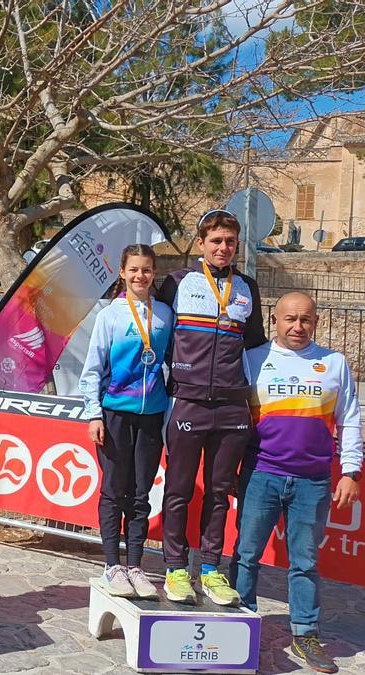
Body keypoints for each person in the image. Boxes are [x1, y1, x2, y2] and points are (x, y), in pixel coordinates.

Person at [231, 292, 362, 674]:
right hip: (261, 474)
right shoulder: (254, 360)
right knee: (246, 554)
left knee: (304, 562)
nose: (297, 326)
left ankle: (305, 633)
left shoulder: (334, 363)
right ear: (275, 320)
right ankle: (242, 625)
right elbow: (234, 418)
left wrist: (351, 472)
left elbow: (350, 419)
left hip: (313, 481)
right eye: (290, 319)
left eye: (305, 319)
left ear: (316, 322)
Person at [154, 209, 266, 605]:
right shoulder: (176, 282)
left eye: (230, 242)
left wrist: (255, 403)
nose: (223, 248)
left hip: (232, 407)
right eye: (216, 241)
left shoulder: (247, 287)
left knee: (220, 492)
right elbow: (154, 329)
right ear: (200, 243)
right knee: (179, 489)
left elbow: (255, 348)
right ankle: (175, 568)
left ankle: (212, 569)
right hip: (187, 400)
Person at [78, 244, 172, 598]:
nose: (140, 276)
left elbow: (170, 365)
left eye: (146, 270)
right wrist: (93, 414)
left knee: (141, 494)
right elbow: (93, 369)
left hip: (152, 416)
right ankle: (111, 565)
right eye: (133, 269)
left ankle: (135, 565)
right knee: (114, 491)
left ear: (154, 272)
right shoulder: (110, 315)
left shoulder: (164, 314)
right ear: (122, 272)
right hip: (115, 413)